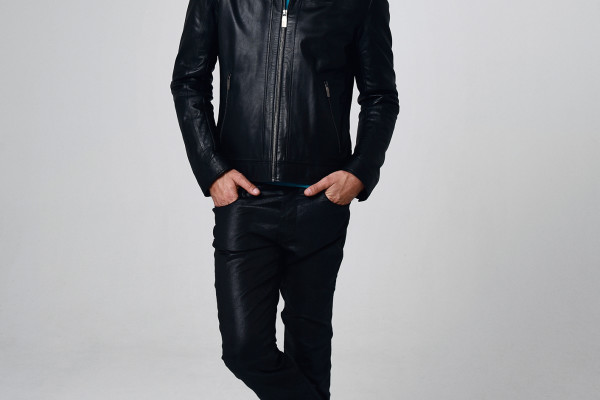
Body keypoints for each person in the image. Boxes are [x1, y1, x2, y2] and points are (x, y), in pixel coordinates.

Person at [170, 0, 399, 398]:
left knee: (309, 344)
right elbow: (189, 81)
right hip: (245, 197)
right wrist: (212, 169)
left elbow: (380, 95)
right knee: (244, 349)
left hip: (320, 199)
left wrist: (360, 171)